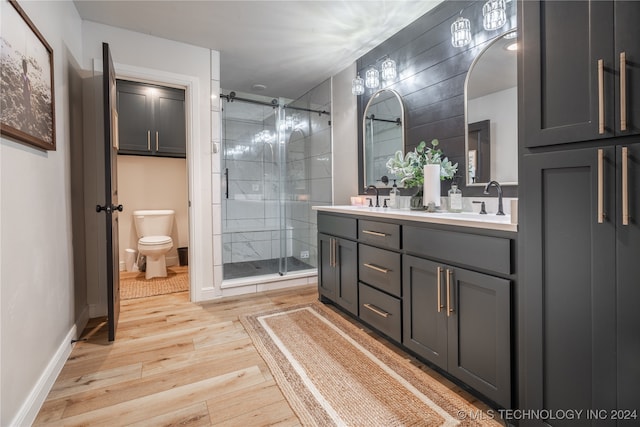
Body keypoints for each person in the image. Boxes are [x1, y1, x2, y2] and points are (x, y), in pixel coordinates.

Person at [21, 58, 33, 130]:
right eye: (24, 67)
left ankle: (29, 114)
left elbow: (29, 85)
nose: (25, 69)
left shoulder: (27, 77)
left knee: (28, 102)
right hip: (25, 91)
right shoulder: (23, 75)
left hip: (27, 92)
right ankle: (27, 114)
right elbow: (23, 83)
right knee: (26, 103)